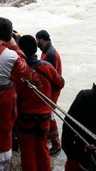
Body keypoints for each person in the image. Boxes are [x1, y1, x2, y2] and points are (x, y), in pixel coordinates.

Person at [0, 17, 43, 171]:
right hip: (3, 114)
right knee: (3, 156)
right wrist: (14, 46)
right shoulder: (11, 56)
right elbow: (23, 70)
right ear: (8, 35)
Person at [17, 35, 65, 171]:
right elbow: (60, 83)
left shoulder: (19, 70)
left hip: (25, 118)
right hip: (44, 117)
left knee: (27, 152)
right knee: (42, 148)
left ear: (20, 51)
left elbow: (15, 94)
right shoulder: (47, 67)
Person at [35, 29, 63, 155]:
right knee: (48, 115)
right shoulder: (47, 51)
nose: (36, 43)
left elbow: (50, 75)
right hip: (51, 89)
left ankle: (56, 144)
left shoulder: (50, 54)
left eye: (37, 40)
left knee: (49, 115)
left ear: (41, 39)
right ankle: (50, 139)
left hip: (52, 90)